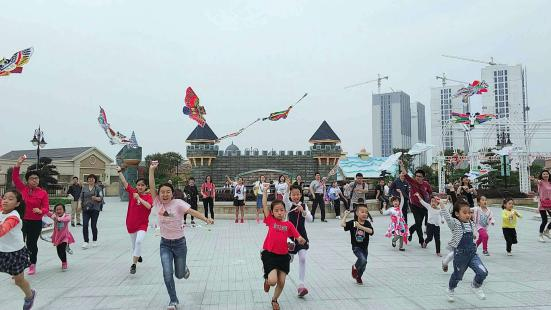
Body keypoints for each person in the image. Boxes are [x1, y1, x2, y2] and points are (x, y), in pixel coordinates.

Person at [149, 161, 214, 310]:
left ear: (172, 193)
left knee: (179, 275)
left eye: (168, 192)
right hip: (165, 244)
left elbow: (192, 212)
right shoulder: (158, 203)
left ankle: (183, 268)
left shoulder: (178, 203)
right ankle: (173, 300)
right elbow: (151, 186)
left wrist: (206, 218)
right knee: (167, 273)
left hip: (179, 244)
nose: (165, 194)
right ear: (159, 194)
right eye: (162, 192)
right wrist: (152, 170)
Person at [260, 183, 306, 310]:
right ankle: (267, 280)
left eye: (282, 210)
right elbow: (264, 205)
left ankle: (274, 300)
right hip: (270, 254)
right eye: (276, 210)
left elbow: (298, 236)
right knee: (273, 281)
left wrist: (301, 240)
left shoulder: (289, 225)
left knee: (281, 282)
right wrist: (264, 191)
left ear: (285, 211)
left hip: (284, 257)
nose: (279, 213)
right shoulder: (270, 220)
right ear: (272, 213)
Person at [441, 199, 488, 302]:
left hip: (472, 254)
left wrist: (475, 234)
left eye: (469, 212)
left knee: (483, 272)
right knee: (457, 276)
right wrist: (442, 205)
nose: (468, 215)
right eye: (465, 212)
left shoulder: (471, 223)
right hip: (460, 255)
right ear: (457, 214)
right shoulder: (455, 224)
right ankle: (450, 289)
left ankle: (475, 286)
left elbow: (473, 232)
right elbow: (448, 218)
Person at [12, 155, 49, 275]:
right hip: (22, 221)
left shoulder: (43, 193)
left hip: (36, 222)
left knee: (31, 244)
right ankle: (19, 268)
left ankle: (32, 264)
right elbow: (15, 177)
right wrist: (18, 164)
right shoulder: (23, 189)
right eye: (32, 178)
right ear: (27, 180)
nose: (35, 180)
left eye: (37, 178)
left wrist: (41, 211)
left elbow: (46, 207)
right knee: (19, 244)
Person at [0, 189, 37, 309]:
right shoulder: (1, 210)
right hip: (1, 250)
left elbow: (3, 230)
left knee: (18, 281)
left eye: (10, 199)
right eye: (4, 198)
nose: (5, 201)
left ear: (17, 204)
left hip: (14, 253)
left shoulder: (14, 217)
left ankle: (30, 295)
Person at [117, 166, 153, 274]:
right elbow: (124, 182)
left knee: (138, 241)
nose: (140, 187)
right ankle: (138, 255)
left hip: (142, 224)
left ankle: (133, 265)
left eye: (142, 185)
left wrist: (139, 198)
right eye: (138, 185)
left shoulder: (148, 197)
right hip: (131, 223)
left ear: (146, 186)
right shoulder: (132, 192)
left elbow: (148, 206)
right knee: (134, 246)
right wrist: (119, 171)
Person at [400, 161, 432, 245]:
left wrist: (432, 201)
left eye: (420, 176)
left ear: (423, 178)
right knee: (418, 223)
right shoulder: (412, 182)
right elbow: (405, 174)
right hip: (414, 205)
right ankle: (421, 241)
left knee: (419, 223)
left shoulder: (426, 184)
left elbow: (430, 193)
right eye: (416, 176)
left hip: (424, 206)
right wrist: (401, 165)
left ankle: (410, 230)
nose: (417, 177)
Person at [340, 204, 374, 285]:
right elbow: (343, 224)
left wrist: (361, 227)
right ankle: (354, 267)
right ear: (357, 213)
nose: (365, 214)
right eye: (362, 212)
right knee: (363, 260)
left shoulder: (367, 223)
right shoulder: (353, 222)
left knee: (364, 264)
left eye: (366, 212)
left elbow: (371, 231)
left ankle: (359, 276)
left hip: (365, 247)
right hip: (356, 247)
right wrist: (345, 215)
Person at [47, 203, 75, 271]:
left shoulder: (66, 216)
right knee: (59, 252)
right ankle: (63, 259)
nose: (58, 211)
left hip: (65, 236)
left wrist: (58, 219)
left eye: (60, 209)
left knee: (62, 250)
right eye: (57, 210)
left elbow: (67, 219)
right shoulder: (55, 217)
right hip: (57, 237)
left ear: (64, 210)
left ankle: (64, 263)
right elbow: (48, 213)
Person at [80, 174, 103, 249]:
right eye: (89, 179)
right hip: (85, 209)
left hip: (95, 209)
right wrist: (79, 206)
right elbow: (81, 198)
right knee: (85, 225)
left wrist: (96, 198)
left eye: (92, 179)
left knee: (93, 225)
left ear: (95, 180)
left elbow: (101, 198)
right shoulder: (84, 188)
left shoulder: (98, 188)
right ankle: (86, 241)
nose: (90, 180)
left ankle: (94, 240)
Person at [530, 171, 551, 242]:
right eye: (544, 174)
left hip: (550, 203)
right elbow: (536, 181)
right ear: (541, 176)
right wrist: (533, 179)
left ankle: (547, 231)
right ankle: (540, 235)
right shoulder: (541, 182)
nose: (545, 175)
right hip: (542, 204)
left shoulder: (550, 183)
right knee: (544, 220)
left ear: (549, 175)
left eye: (547, 174)